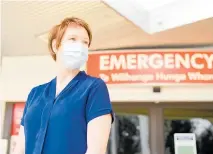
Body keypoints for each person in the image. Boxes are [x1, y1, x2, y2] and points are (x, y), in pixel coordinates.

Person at [14, 17, 114, 154]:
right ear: (56, 46)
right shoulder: (35, 94)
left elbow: (96, 150)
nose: (80, 46)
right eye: (72, 39)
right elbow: (20, 148)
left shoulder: (94, 88)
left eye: (85, 42)